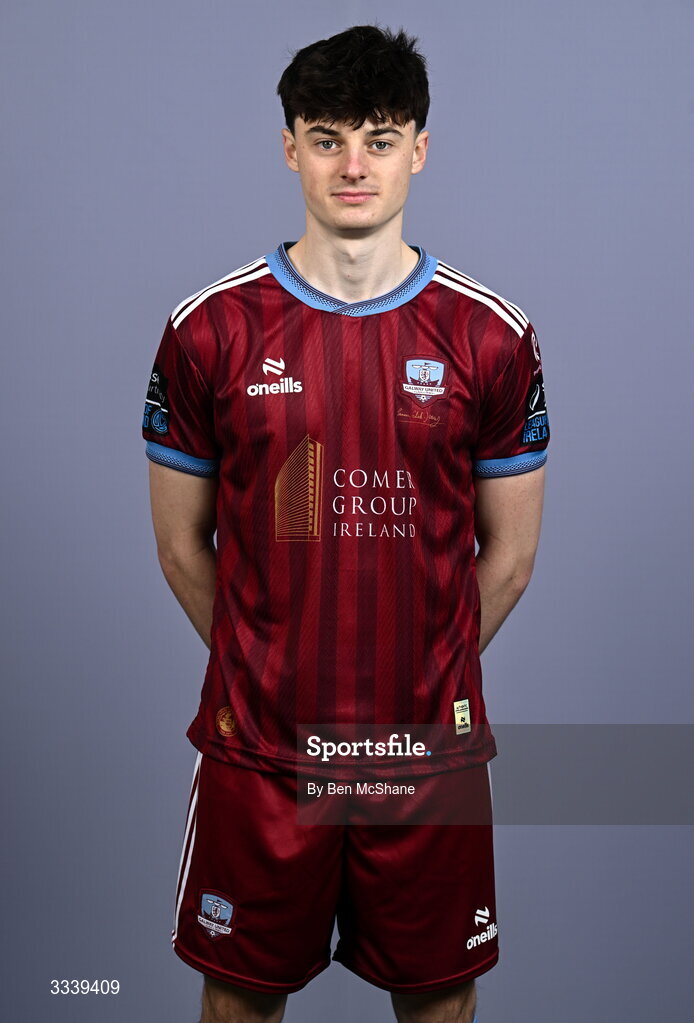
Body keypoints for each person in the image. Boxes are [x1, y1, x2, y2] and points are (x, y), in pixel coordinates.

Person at [142, 24, 550, 1023]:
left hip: (425, 759)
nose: (353, 164)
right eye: (327, 137)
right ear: (289, 148)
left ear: (420, 146)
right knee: (237, 1000)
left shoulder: (490, 335)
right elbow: (179, 547)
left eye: (379, 135)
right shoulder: (210, 329)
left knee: (439, 1002)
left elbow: (511, 558)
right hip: (262, 756)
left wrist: (423, 674)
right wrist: (268, 667)